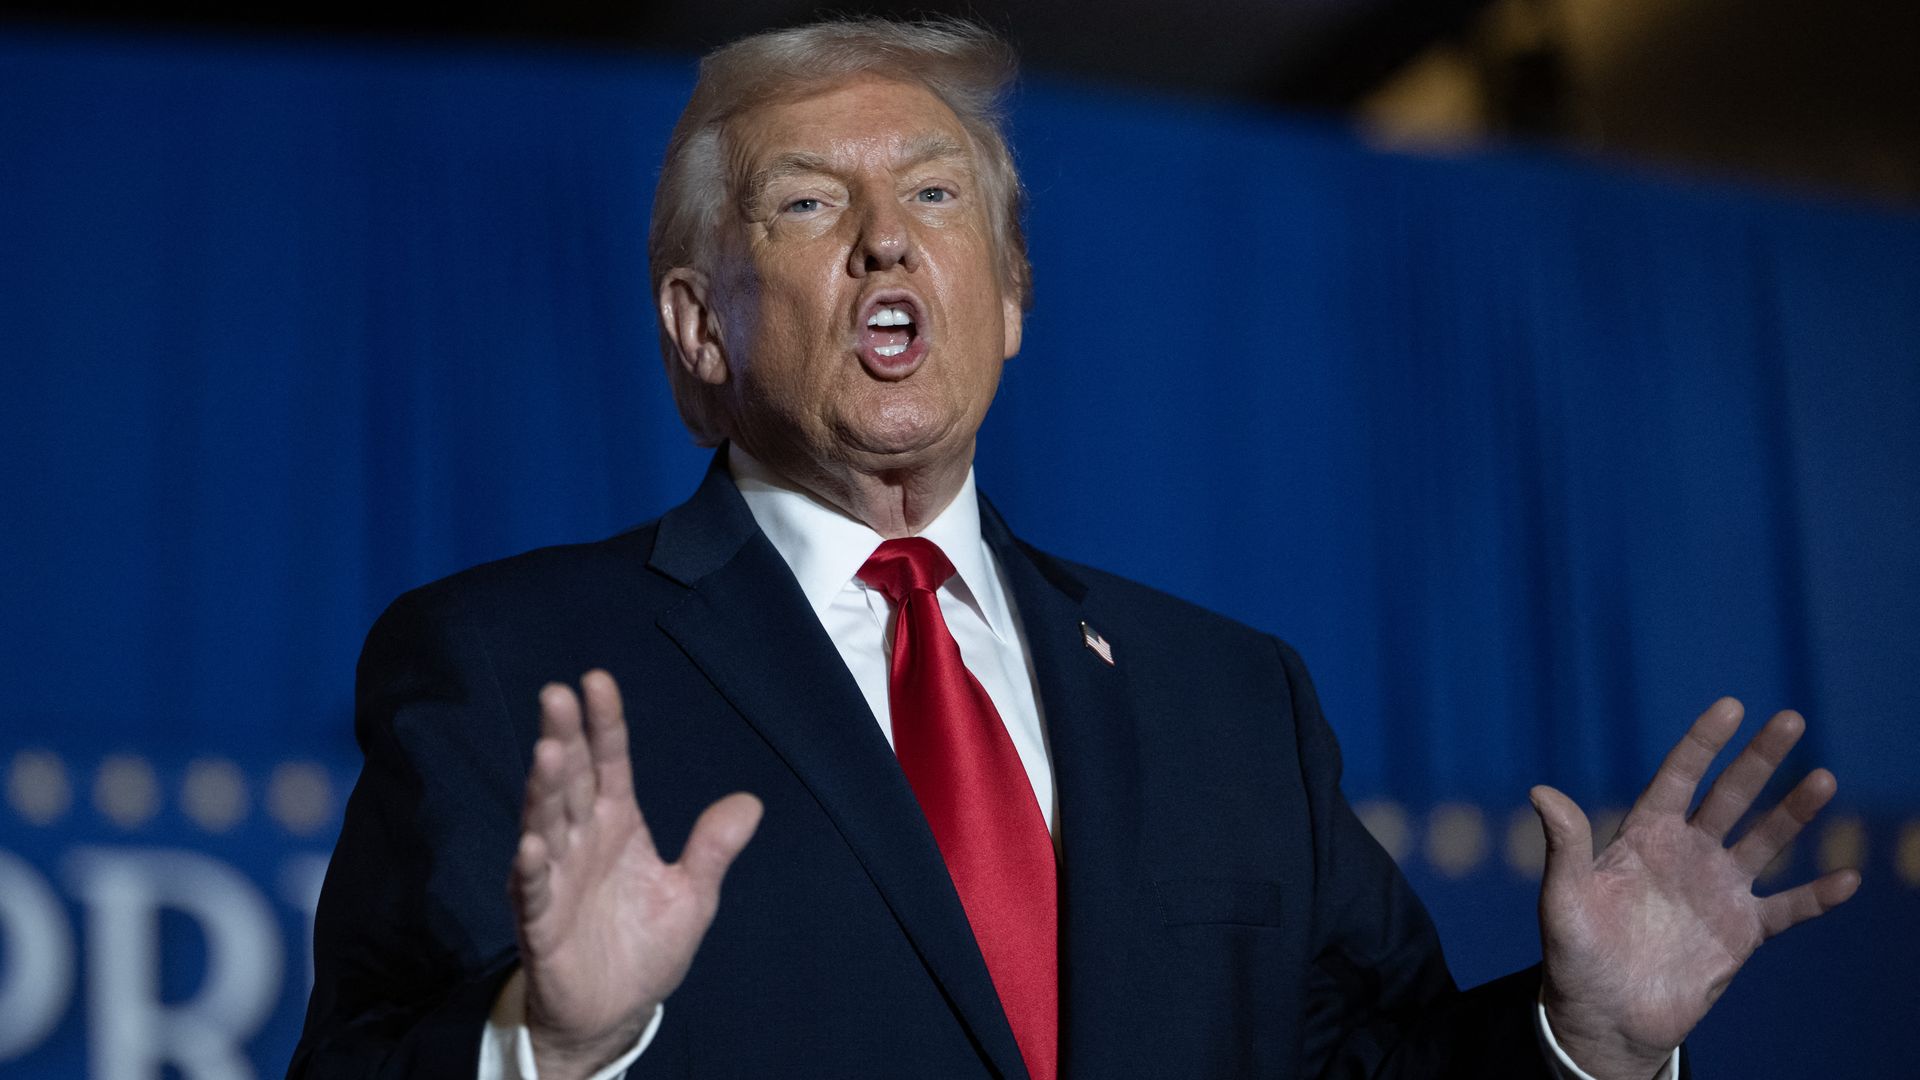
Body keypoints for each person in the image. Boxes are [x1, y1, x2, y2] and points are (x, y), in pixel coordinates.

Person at [289, 17, 1857, 1080]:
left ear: (1014, 293)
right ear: (700, 332)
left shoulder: (1230, 701)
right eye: (808, 203)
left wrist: (1584, 1041)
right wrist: (545, 1046)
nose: (888, 239)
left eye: (935, 194)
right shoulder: (508, 666)